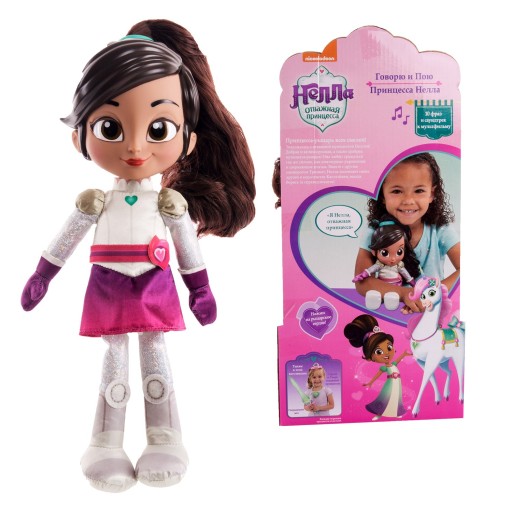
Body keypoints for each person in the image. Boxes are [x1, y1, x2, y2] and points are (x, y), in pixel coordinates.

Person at [20, 20, 255, 492]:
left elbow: (186, 247)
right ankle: (105, 442)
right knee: (114, 355)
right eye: (109, 127)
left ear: (187, 139)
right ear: (80, 136)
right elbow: (65, 239)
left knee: (154, 351)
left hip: (153, 283)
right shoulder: (94, 202)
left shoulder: (169, 204)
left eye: (158, 128)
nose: (134, 146)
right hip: (108, 282)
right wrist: (43, 275)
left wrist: (200, 288)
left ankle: (165, 438)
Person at [354, 152, 460, 313]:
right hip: (387, 313)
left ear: (431, 194)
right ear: (382, 195)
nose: (408, 200)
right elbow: (362, 282)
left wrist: (430, 294)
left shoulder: (440, 229)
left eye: (419, 191)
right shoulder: (375, 230)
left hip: (430, 311)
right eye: (397, 191)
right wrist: (405, 294)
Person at [344, 315, 411, 421]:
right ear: (370, 358)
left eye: (389, 347)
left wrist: (404, 354)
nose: (387, 353)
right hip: (389, 385)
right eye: (379, 351)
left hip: (397, 385)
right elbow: (378, 374)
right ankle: (379, 414)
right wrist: (370, 383)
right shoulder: (385, 368)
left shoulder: (393, 365)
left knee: (396, 398)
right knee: (385, 399)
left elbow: (397, 361)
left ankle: (396, 412)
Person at [352, 215, 421, 310]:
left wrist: (415, 286)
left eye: (399, 252)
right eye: (385, 253)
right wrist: (361, 275)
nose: (393, 259)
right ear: (374, 252)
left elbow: (407, 276)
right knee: (377, 295)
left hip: (396, 285)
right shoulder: (379, 265)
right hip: (383, 286)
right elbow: (369, 271)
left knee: (392, 297)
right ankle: (377, 300)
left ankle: (389, 302)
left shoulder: (399, 266)